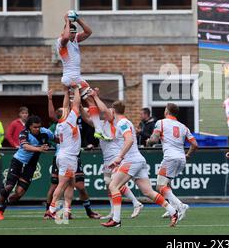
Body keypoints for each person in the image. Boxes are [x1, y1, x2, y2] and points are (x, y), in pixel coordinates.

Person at [101, 100, 179, 228]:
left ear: (114, 111)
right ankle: (173, 211)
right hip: (138, 160)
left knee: (113, 186)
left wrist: (119, 157)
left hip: (131, 160)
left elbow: (130, 140)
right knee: (148, 192)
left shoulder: (122, 123)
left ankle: (116, 219)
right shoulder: (126, 122)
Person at [44, 89, 101, 219]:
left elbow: (66, 106)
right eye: (66, 111)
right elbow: (75, 104)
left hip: (64, 156)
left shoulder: (60, 124)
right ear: (65, 114)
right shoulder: (69, 121)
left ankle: (67, 210)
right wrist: (76, 89)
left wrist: (65, 91)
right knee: (62, 184)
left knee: (70, 184)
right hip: (68, 157)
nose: (68, 110)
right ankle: (52, 209)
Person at [56, 12, 110, 141]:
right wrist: (67, 22)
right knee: (88, 100)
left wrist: (78, 20)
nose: (73, 35)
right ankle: (97, 129)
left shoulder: (74, 39)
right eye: (71, 33)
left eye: (75, 33)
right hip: (72, 77)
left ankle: (96, 130)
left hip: (73, 77)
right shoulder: (61, 41)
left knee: (79, 104)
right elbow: (65, 37)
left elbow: (88, 32)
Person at [90, 90, 144, 219]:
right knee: (109, 183)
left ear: (113, 111)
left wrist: (95, 97)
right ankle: (114, 212)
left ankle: (135, 203)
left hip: (116, 155)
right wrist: (81, 107)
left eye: (111, 110)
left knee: (114, 183)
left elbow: (103, 110)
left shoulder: (115, 120)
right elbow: (89, 118)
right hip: (108, 157)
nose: (108, 112)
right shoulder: (102, 123)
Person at [147, 103, 199, 221]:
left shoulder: (161, 123)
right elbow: (195, 144)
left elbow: (154, 139)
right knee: (167, 183)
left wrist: (148, 141)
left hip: (170, 158)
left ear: (166, 111)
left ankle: (181, 206)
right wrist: (188, 155)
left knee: (160, 186)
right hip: (181, 159)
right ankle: (172, 208)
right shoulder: (183, 126)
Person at [0, 116, 52, 220]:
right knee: (8, 187)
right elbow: (25, 146)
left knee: (19, 193)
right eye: (35, 127)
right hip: (18, 162)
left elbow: (56, 139)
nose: (37, 129)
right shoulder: (24, 133)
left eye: (39, 127)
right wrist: (39, 149)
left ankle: (3, 205)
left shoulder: (45, 132)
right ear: (29, 127)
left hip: (30, 166)